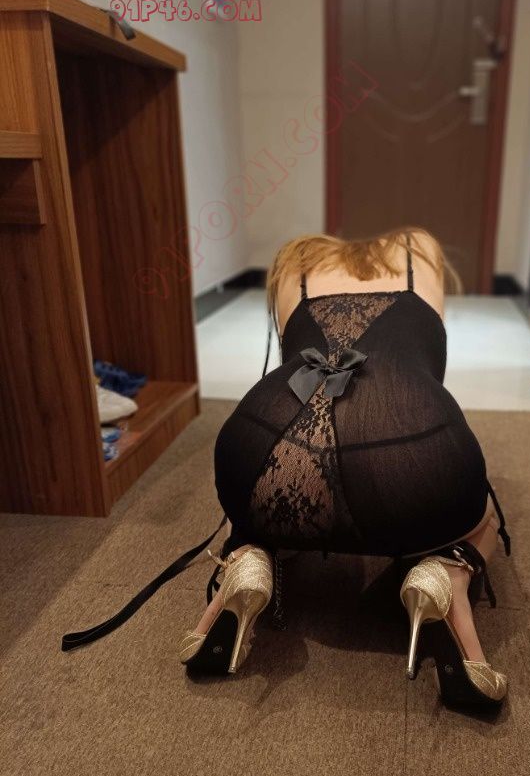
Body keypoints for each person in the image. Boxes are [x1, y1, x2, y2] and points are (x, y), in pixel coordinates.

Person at [179, 228, 511, 710]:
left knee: (254, 500)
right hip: (407, 447)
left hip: (260, 434)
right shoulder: (417, 251)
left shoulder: (296, 263)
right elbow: (430, 368)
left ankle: (247, 556)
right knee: (483, 513)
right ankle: (447, 574)